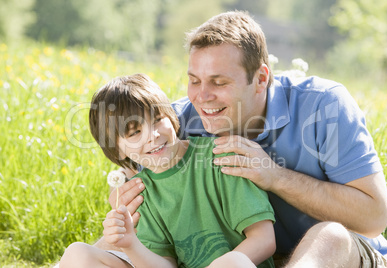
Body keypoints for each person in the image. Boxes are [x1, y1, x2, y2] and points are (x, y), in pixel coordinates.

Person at [107, 11, 387, 267]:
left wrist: (275, 176)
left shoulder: (323, 105)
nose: (201, 96)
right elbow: (136, 170)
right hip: (242, 261)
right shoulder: (178, 121)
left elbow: (374, 218)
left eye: (219, 82)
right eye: (194, 80)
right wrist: (125, 194)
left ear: (260, 78)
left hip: (336, 258)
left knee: (329, 236)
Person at [59, 73, 276, 268]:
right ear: (117, 150)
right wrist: (130, 244)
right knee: (77, 254)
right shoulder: (143, 192)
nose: (152, 135)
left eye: (157, 120)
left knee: (233, 262)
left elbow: (264, 240)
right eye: (134, 133)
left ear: (171, 117)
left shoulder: (221, 156)